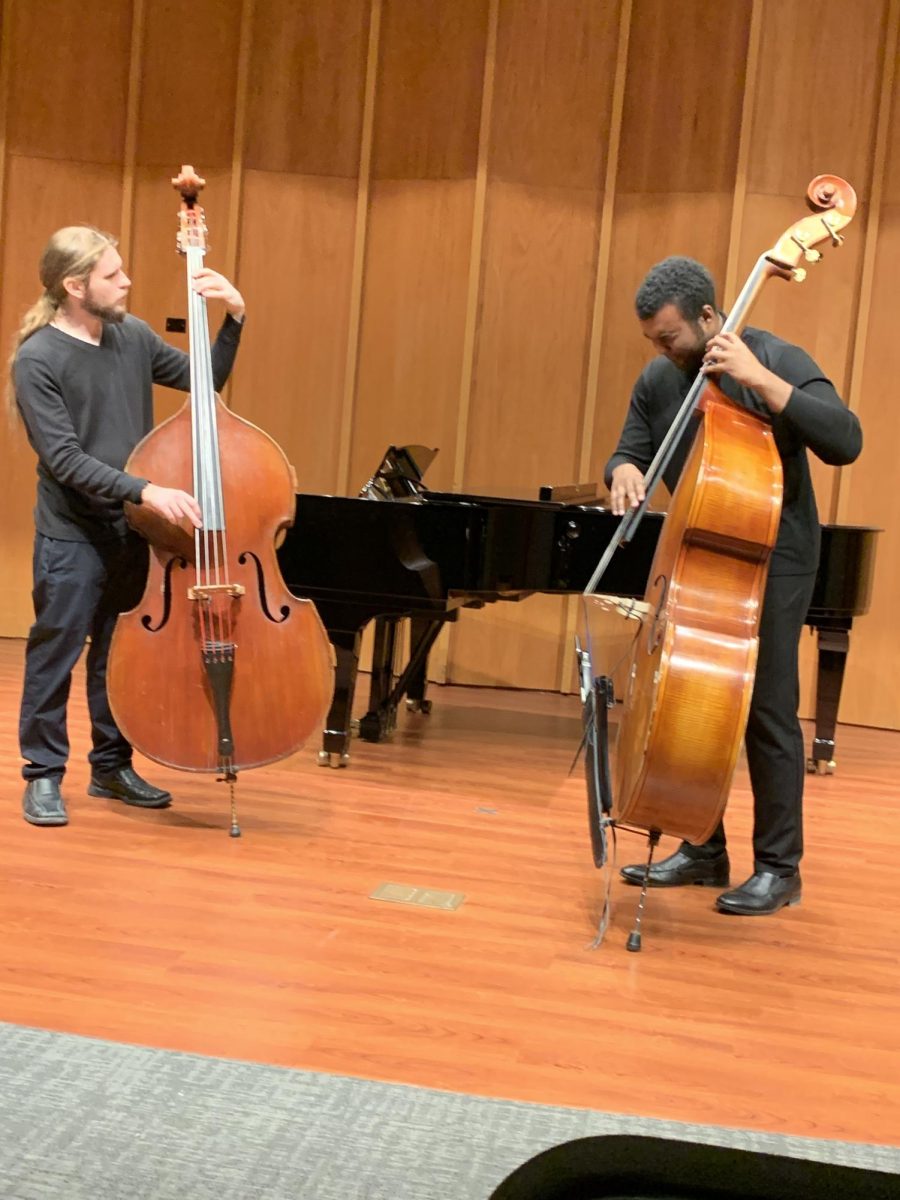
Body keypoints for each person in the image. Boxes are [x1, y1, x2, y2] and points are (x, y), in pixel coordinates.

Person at [605, 256, 862, 915]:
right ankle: (702, 845)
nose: (661, 351)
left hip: (778, 552)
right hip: (699, 547)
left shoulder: (773, 355)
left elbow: (846, 439)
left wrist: (761, 380)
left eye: (669, 337)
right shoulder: (659, 380)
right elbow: (629, 448)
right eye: (652, 340)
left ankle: (780, 867)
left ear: (710, 318)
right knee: (692, 695)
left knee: (766, 706)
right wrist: (625, 473)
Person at [9, 225, 245, 828]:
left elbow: (204, 383)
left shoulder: (130, 336)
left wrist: (234, 317)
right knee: (54, 653)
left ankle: (111, 768)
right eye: (113, 274)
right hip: (71, 533)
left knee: (116, 655)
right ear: (75, 285)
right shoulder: (38, 358)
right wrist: (146, 488)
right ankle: (42, 775)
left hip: (130, 530)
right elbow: (65, 461)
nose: (127, 281)